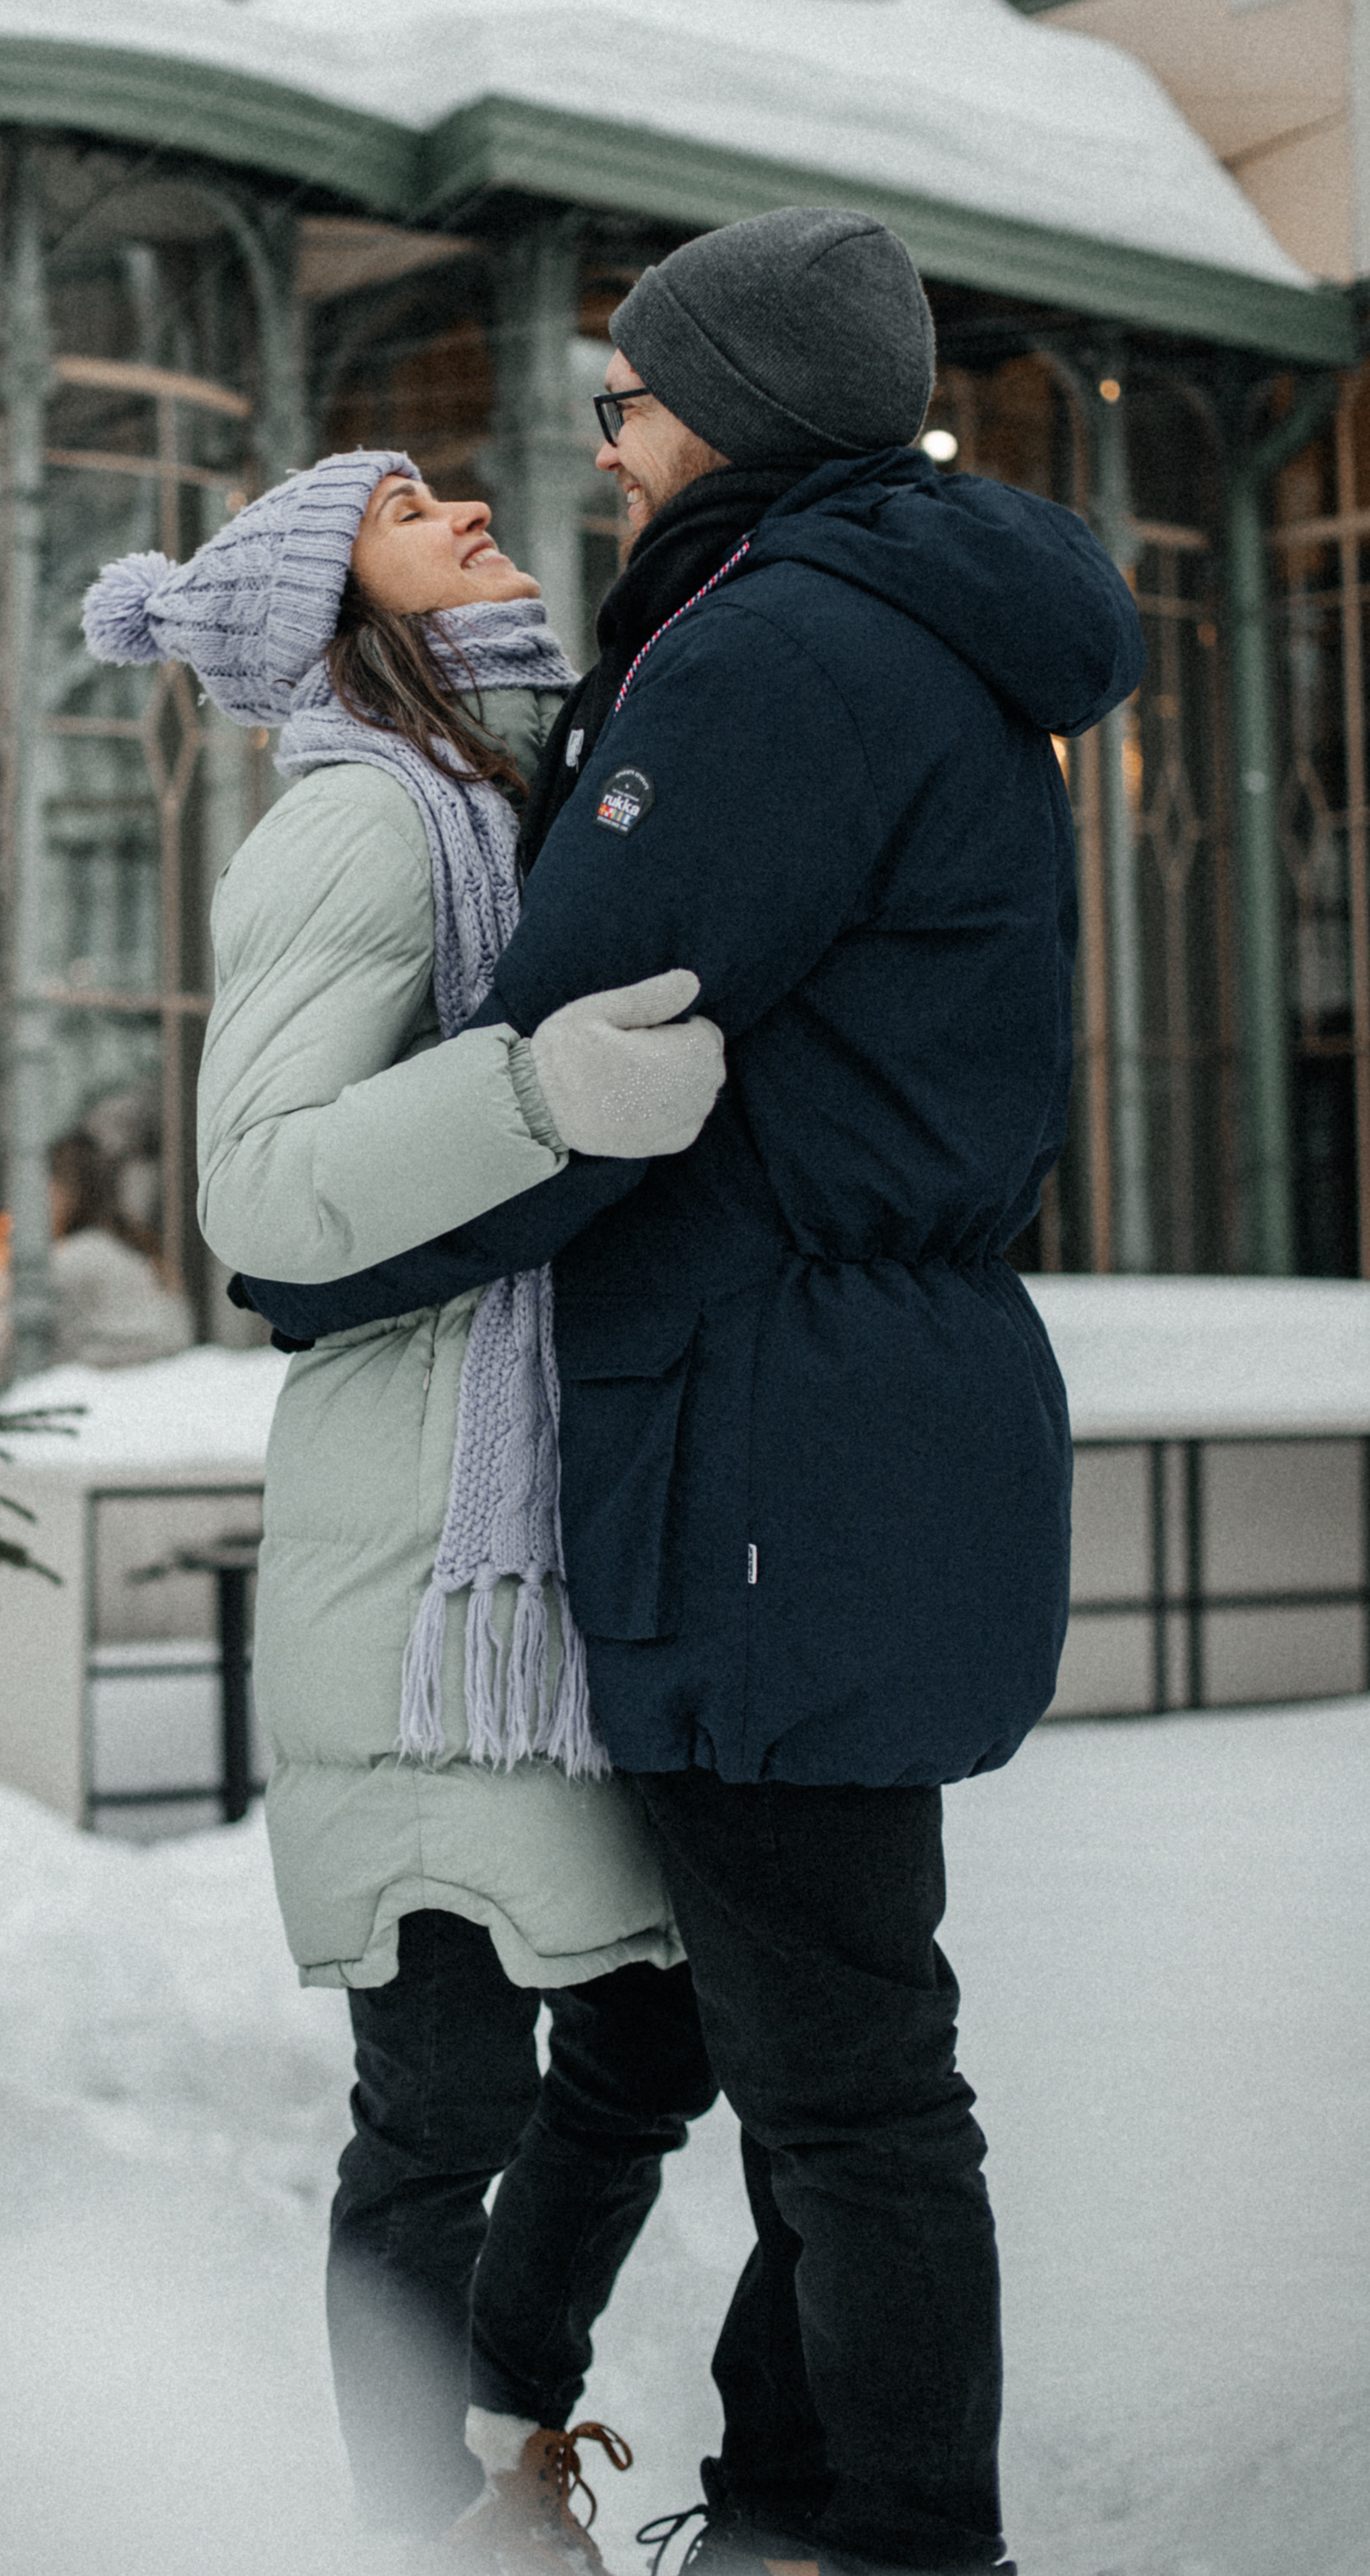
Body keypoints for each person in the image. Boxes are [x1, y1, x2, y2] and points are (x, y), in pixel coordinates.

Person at [232, 209, 1146, 2576]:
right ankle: (753, 2496)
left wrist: (331, 1265)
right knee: (781, 2053)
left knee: (838, 2087)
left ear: (734, 401)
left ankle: (875, 2533)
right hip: (864, 1404)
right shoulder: (898, 621)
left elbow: (591, 1026)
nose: (596, 440)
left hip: (759, 1445)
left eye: (629, 394)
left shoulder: (769, 660)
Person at [81, 454, 725, 2570]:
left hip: (540, 1534)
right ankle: (423, 2525)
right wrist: (540, 1096)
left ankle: (487, 2417)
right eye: (399, 504)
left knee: (654, 2030)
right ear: (321, 596)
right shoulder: (364, 816)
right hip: (425, 1556)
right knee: (440, 2109)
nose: (461, 504)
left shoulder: (528, 789)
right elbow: (259, 1186)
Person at [44, 1129, 193, 1366]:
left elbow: (13, 1352)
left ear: (65, 1191)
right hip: (159, 1380)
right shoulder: (137, 1246)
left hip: (112, 1389)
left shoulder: (74, 1257)